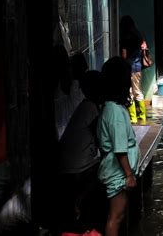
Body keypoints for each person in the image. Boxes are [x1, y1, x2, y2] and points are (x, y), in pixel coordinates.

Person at [97, 56, 141, 236]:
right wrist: (129, 175)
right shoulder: (114, 111)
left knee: (118, 216)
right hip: (118, 174)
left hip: (118, 172)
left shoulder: (111, 107)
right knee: (116, 217)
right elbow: (120, 148)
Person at [57, 70, 104, 232]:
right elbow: (102, 141)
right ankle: (80, 203)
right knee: (107, 169)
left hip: (70, 166)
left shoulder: (86, 107)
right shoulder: (91, 108)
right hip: (76, 169)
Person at [119, 15, 147, 123]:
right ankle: (143, 115)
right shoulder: (139, 36)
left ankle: (133, 117)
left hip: (128, 68)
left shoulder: (125, 37)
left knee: (130, 92)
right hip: (138, 67)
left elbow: (124, 56)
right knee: (138, 91)